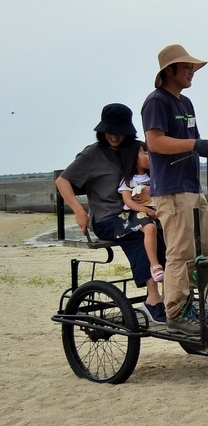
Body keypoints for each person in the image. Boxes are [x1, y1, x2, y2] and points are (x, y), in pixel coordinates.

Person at [142, 44, 208, 338]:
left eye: (192, 67)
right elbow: (155, 143)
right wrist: (195, 145)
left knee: (205, 249)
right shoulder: (157, 102)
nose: (192, 72)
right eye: (186, 67)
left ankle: (205, 299)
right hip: (170, 189)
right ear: (169, 71)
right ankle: (176, 312)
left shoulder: (187, 103)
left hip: (193, 187)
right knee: (180, 253)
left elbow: (192, 142)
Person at [55, 103, 167, 323]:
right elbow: (62, 181)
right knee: (140, 234)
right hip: (108, 219)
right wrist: (79, 210)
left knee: (166, 233)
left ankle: (173, 292)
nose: (114, 136)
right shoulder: (92, 154)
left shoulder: (135, 148)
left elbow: (158, 170)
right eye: (110, 131)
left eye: (119, 131)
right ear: (102, 130)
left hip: (137, 213)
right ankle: (152, 299)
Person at [116, 140, 163, 283]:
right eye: (145, 153)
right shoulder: (128, 180)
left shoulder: (153, 178)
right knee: (149, 228)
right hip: (135, 213)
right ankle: (155, 265)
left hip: (154, 211)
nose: (149, 156)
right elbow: (128, 201)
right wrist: (147, 211)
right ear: (133, 158)